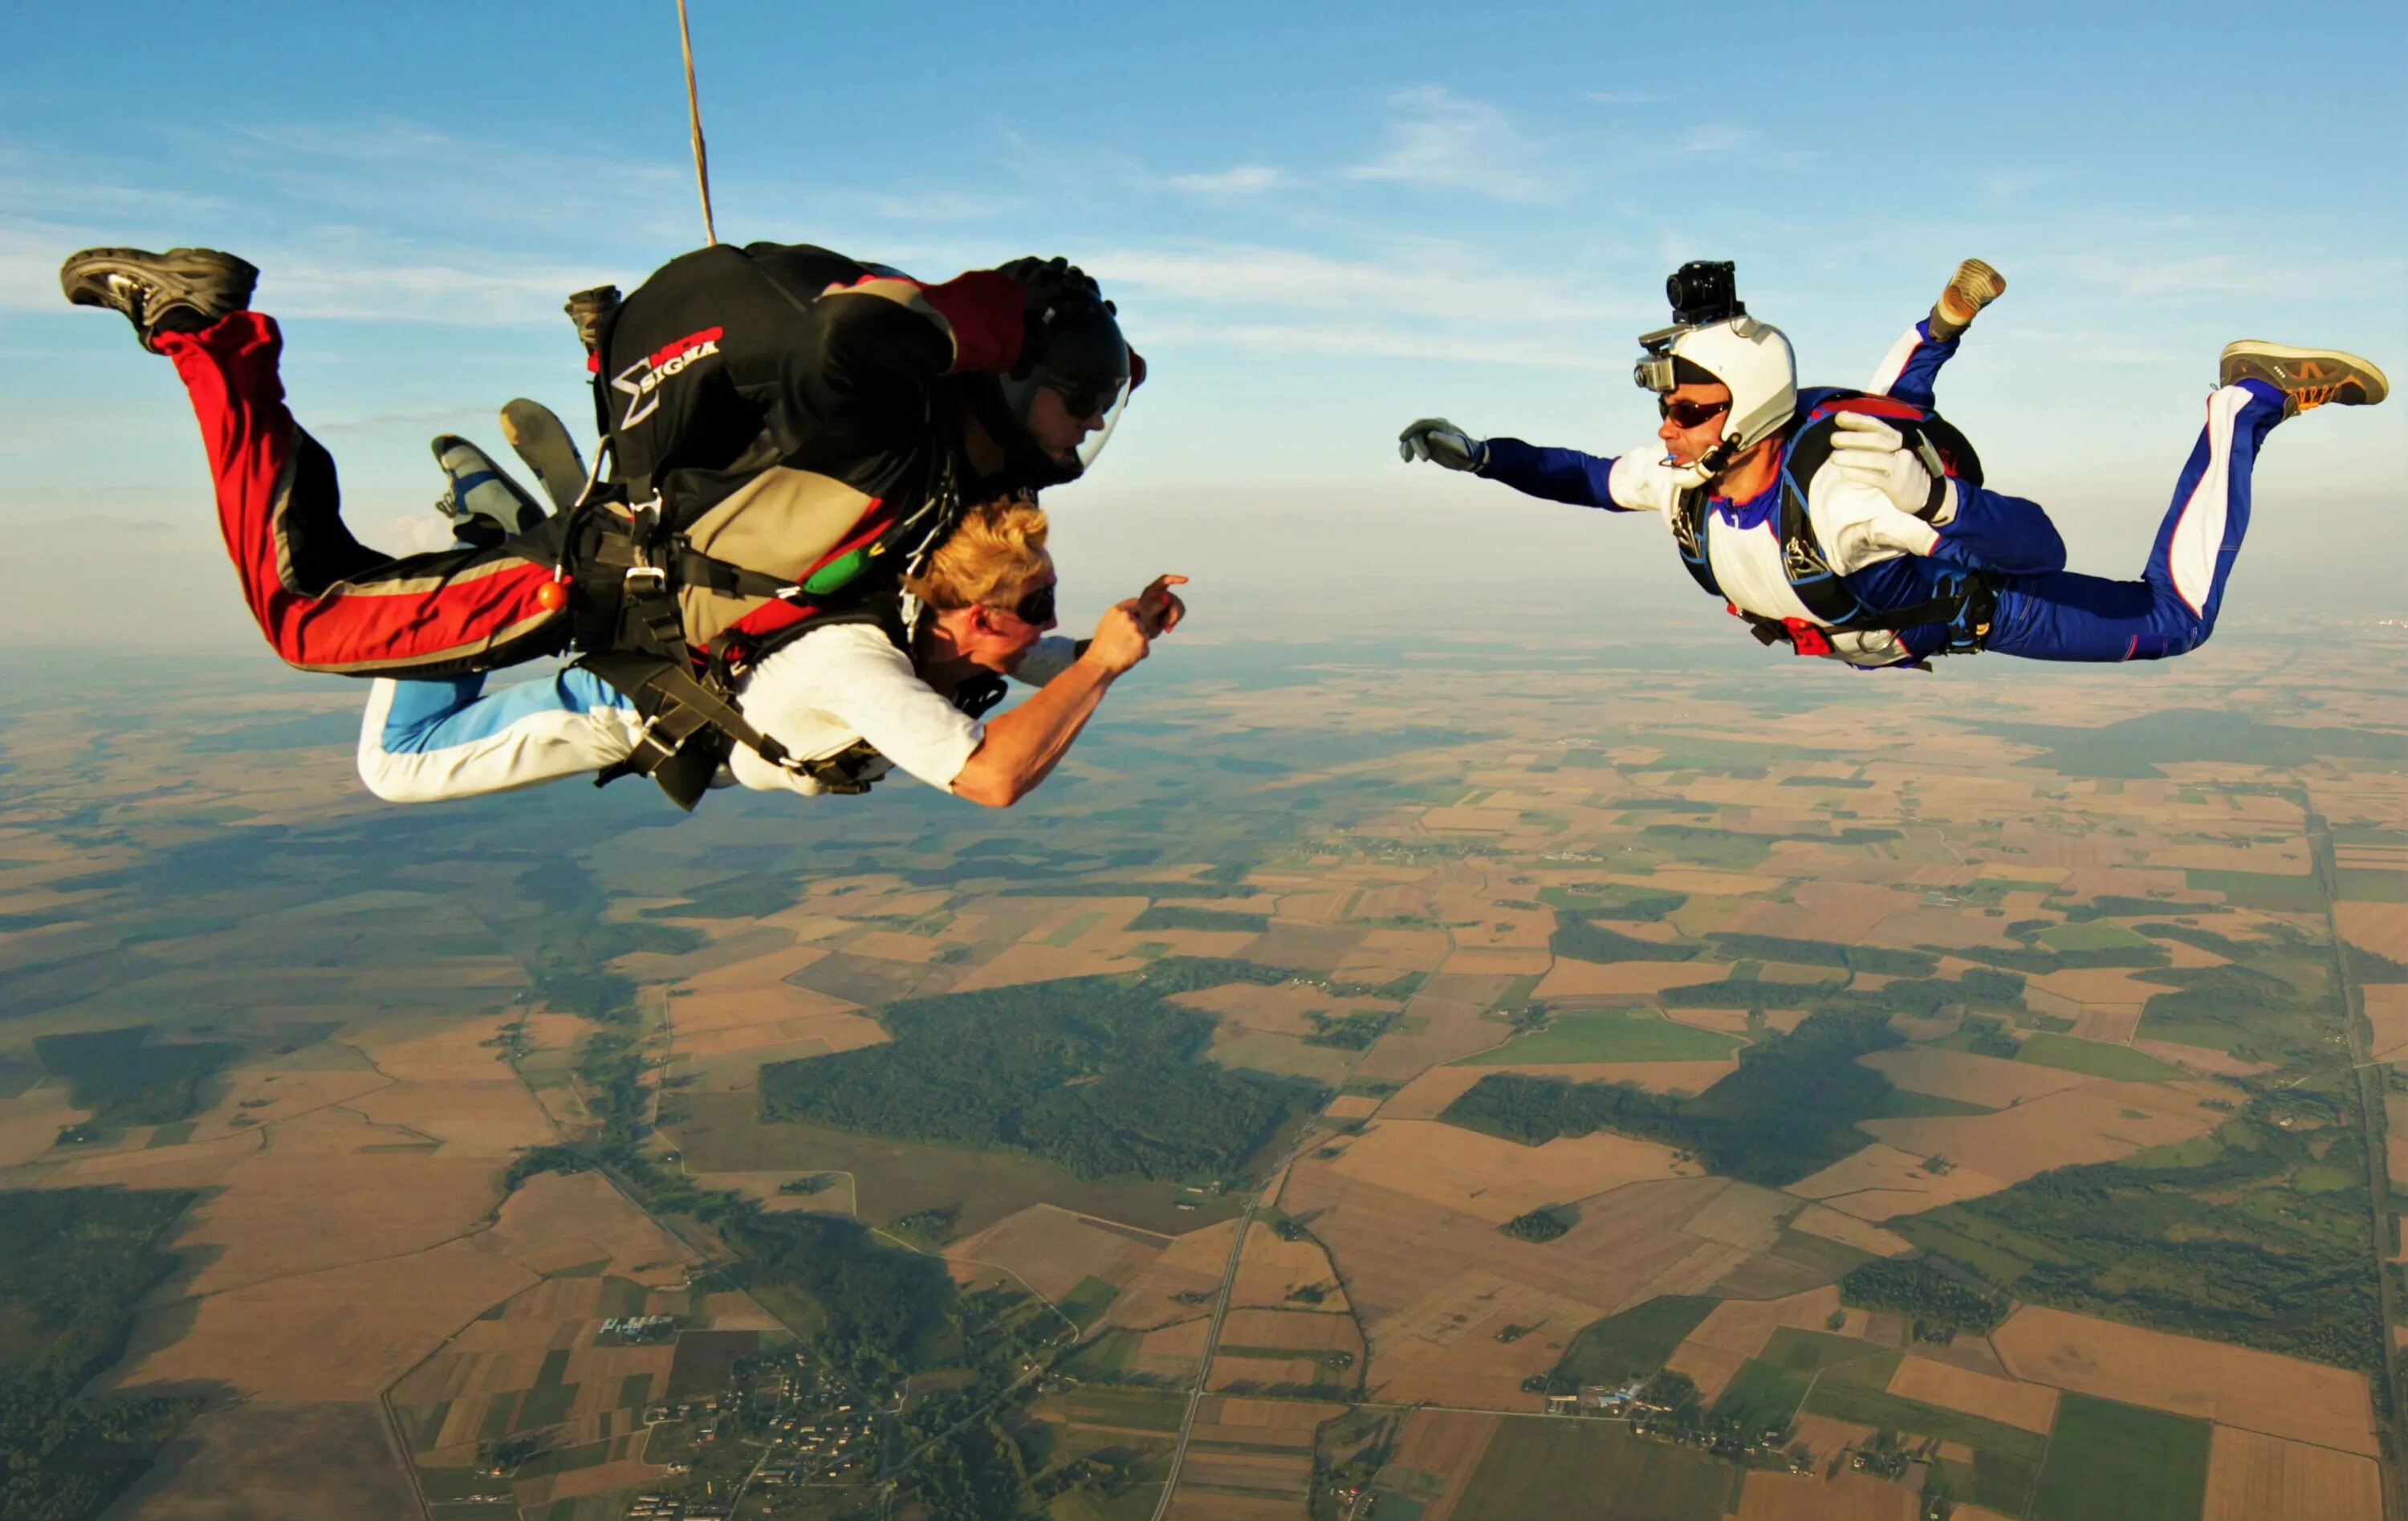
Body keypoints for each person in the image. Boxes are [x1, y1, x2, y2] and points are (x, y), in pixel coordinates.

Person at [59, 242, 1137, 677]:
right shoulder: (885, 427)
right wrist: (979, 315)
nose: (1083, 430)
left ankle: (524, 473)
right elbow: (848, 336)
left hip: (646, 565)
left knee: (345, 580)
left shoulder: (958, 465)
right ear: (1003, 375)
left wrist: (1088, 650)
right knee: (308, 614)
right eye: (1073, 402)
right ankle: (204, 334)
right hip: (583, 586)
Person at [1399, 259, 2387, 668]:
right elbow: (1576, 473)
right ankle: (1941, 323)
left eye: (1690, 409)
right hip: (1872, 563)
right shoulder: (1687, 492)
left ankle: (2242, 405)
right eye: (1664, 408)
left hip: (1985, 602)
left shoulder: (1846, 503)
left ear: (1742, 409)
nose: (1668, 431)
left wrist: (1942, 512)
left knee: (2173, 621)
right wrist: (1482, 456)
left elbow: (2041, 544)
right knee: (1885, 409)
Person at [354, 497, 1185, 807]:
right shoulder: (855, 660)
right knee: (398, 764)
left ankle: (509, 552)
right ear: (971, 614)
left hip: (708, 728)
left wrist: (1121, 632)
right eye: (1034, 606)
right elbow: (995, 776)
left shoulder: (936, 626)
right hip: (627, 712)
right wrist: (1102, 664)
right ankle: (455, 585)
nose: (1048, 624)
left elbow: (1039, 661)